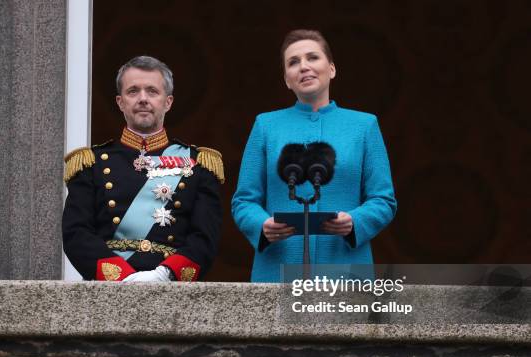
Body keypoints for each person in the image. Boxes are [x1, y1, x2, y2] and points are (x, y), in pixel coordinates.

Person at [231, 29, 396, 282]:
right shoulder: (266, 125)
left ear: (331, 69)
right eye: (293, 62)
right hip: (277, 271)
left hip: (346, 270)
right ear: (287, 79)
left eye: (313, 58)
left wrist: (355, 221)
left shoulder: (364, 126)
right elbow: (244, 201)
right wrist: (261, 226)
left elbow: (383, 200)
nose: (304, 67)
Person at [63, 56, 224, 282]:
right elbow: (76, 233)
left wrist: (165, 275)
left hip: (172, 288)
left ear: (167, 102)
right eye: (133, 91)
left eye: (152, 91)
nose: (143, 99)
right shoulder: (92, 163)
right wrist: (123, 278)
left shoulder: (199, 164)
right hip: (108, 290)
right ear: (120, 102)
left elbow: (205, 237)